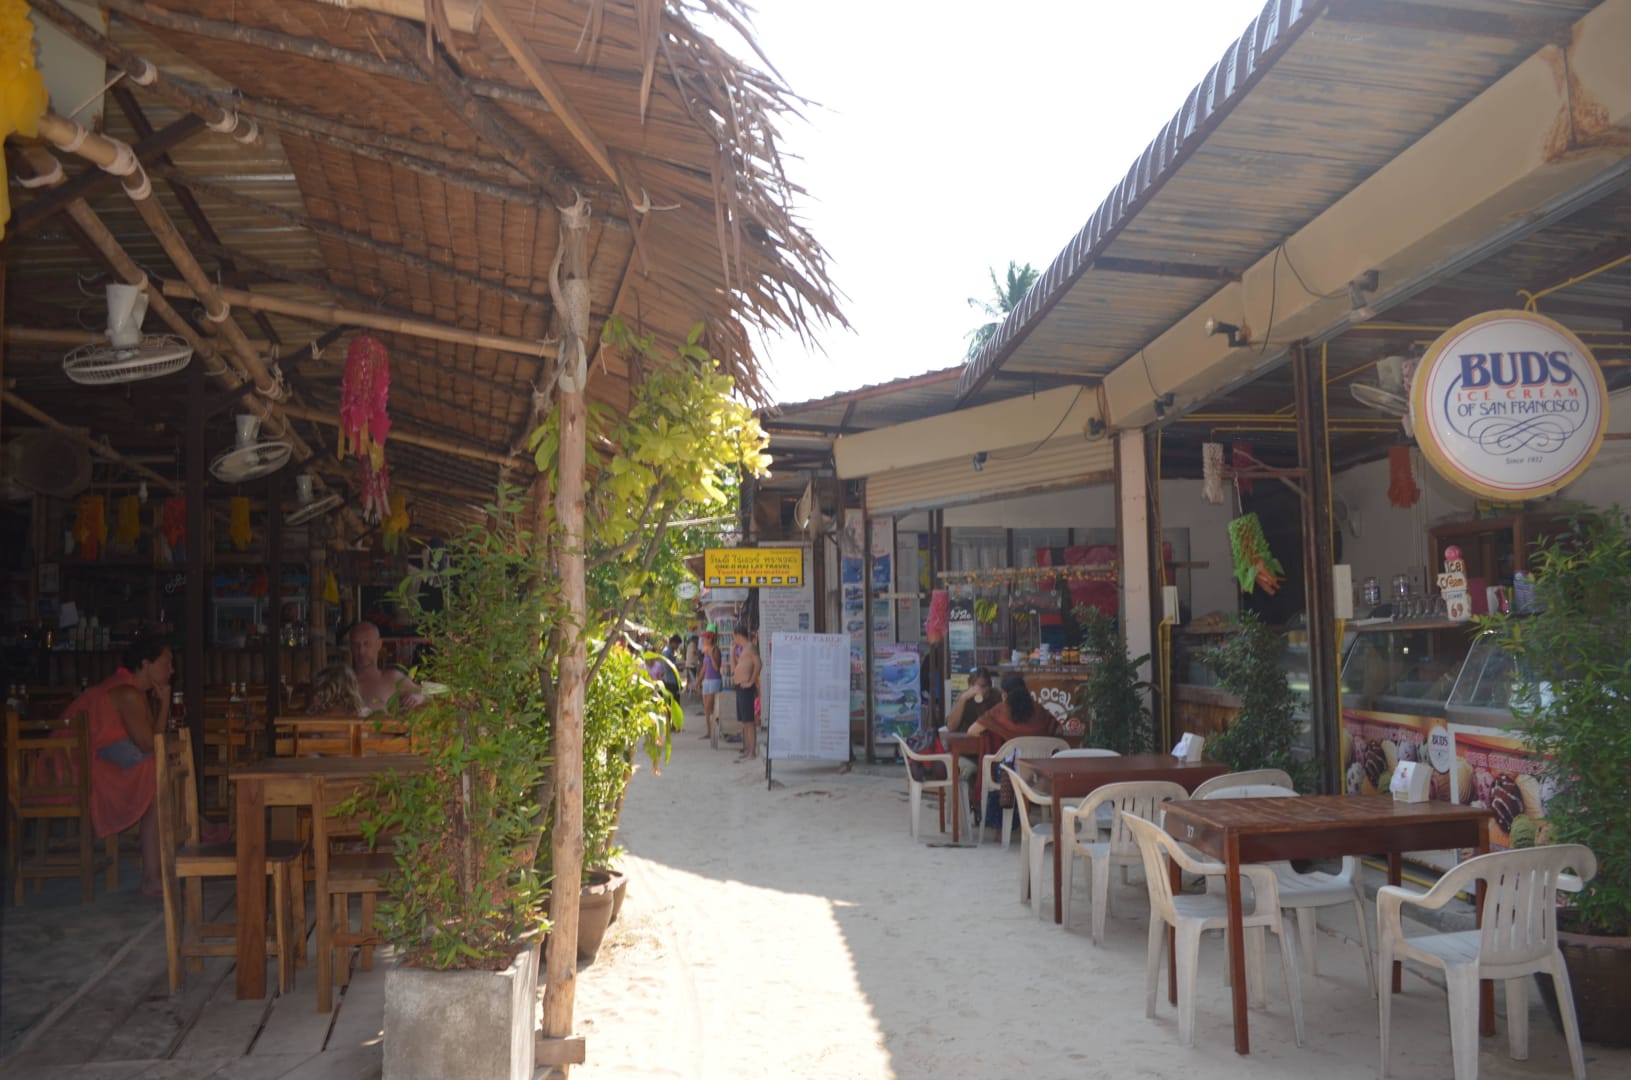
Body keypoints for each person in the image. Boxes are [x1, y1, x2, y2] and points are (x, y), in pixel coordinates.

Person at [60, 636, 173, 896]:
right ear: (146, 664)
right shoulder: (128, 693)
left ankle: (154, 873)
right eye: (167, 663)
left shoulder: (133, 690)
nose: (172, 670)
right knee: (156, 772)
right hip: (76, 769)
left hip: (97, 761)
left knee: (158, 769)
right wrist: (165, 703)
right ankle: (152, 876)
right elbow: (150, 743)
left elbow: (149, 741)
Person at [965, 673, 1052, 833]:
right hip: (1041, 773)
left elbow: (972, 731)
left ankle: (1000, 827)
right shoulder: (1039, 710)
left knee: (996, 768)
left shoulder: (1001, 710)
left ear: (1004, 694)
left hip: (1014, 774)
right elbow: (1058, 730)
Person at [346, 620, 425, 713]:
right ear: (350, 646)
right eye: (356, 645)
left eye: (367, 644)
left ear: (379, 644)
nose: (361, 651)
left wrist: (420, 697)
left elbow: (431, 692)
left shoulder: (392, 678)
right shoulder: (341, 682)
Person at [730, 625, 761, 763]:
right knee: (745, 722)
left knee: (749, 721)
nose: (734, 639)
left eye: (734, 636)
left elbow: (758, 664)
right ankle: (748, 750)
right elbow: (733, 669)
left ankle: (752, 752)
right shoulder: (743, 650)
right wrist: (732, 652)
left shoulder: (750, 647)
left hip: (746, 687)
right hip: (740, 687)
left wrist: (751, 681)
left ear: (738, 635)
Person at [944, 666, 997, 732]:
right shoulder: (963, 697)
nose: (977, 690)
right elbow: (951, 727)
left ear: (989, 686)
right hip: (966, 736)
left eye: (982, 686)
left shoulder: (996, 696)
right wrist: (963, 699)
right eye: (973, 686)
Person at [698, 630, 722, 741]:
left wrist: (711, 655)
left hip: (715, 680)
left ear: (710, 639)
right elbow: (704, 668)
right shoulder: (706, 651)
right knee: (707, 709)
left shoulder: (715, 650)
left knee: (710, 707)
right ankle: (709, 731)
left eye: (705, 638)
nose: (703, 640)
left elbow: (716, 667)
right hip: (707, 681)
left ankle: (714, 731)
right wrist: (698, 681)